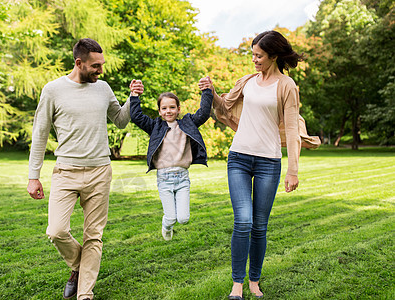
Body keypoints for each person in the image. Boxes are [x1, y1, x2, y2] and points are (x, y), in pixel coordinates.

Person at [198, 30, 320, 299]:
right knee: (243, 221)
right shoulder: (249, 82)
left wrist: (293, 170)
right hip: (239, 157)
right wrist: (212, 91)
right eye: (252, 54)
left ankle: (255, 280)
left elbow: (290, 128)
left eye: (259, 56)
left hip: (268, 162)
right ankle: (237, 285)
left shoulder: (287, 86)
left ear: (274, 56)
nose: (254, 60)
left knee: (260, 225)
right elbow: (225, 107)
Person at [27, 38, 144, 300]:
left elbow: (121, 120)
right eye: (95, 66)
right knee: (56, 231)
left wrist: (133, 97)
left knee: (93, 235)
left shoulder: (103, 88)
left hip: (100, 171)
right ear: (78, 63)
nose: (100, 70)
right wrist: (33, 177)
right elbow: (40, 135)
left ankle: (85, 294)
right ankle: (79, 266)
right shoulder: (53, 90)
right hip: (65, 171)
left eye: (102, 65)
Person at [130, 84, 213, 241]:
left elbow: (204, 113)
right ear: (160, 111)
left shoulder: (187, 123)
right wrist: (134, 96)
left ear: (178, 109)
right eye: (164, 108)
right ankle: (166, 226)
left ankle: (172, 223)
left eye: (172, 107)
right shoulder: (155, 127)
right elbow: (136, 117)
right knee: (171, 218)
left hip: (182, 178)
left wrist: (207, 92)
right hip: (164, 179)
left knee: (183, 219)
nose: (169, 111)